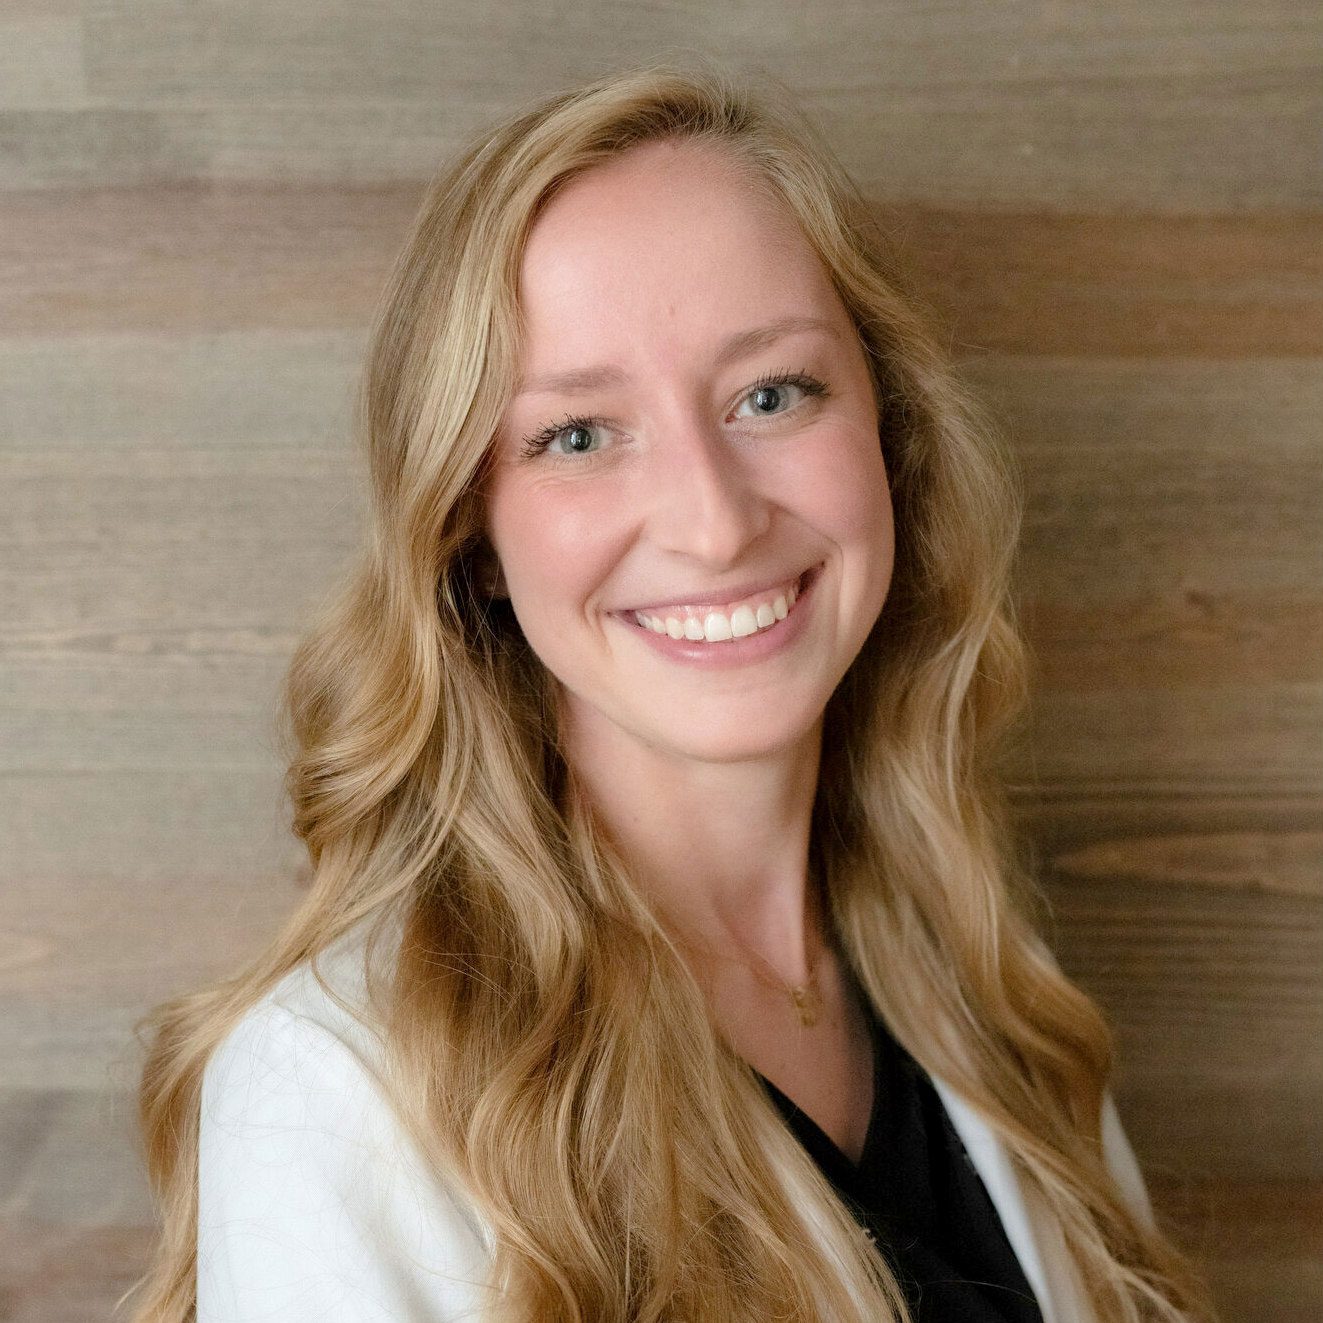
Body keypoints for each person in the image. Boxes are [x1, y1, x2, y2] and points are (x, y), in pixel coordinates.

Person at [128, 61, 1215, 1323]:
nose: (713, 523)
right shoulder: (338, 1086)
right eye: (579, 435)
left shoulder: (977, 976)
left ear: (890, 436)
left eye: (772, 394)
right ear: (471, 535)